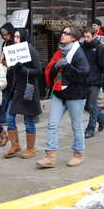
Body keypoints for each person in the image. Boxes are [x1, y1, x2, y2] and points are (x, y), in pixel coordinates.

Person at [38, 26, 90, 168]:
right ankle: (50, 157)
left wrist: (67, 67)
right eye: (63, 32)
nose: (62, 35)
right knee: (52, 124)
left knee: (76, 126)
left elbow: (84, 75)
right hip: (59, 94)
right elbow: (52, 72)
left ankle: (78, 154)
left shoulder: (78, 53)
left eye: (66, 33)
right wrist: (55, 67)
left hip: (75, 96)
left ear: (74, 38)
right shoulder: (59, 52)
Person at [2, 28, 42, 159]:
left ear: (24, 37)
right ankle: (15, 145)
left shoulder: (31, 50)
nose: (15, 39)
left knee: (28, 120)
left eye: (18, 37)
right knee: (9, 118)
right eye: (15, 37)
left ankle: (31, 149)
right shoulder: (14, 50)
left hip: (28, 89)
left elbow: (38, 71)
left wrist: (23, 69)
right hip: (16, 89)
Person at [80, 28, 104, 138]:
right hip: (83, 81)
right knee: (86, 106)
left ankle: (90, 129)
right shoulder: (81, 47)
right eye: (85, 37)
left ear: (94, 36)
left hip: (95, 81)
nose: (86, 39)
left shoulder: (100, 48)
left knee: (92, 105)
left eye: (88, 37)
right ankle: (101, 118)